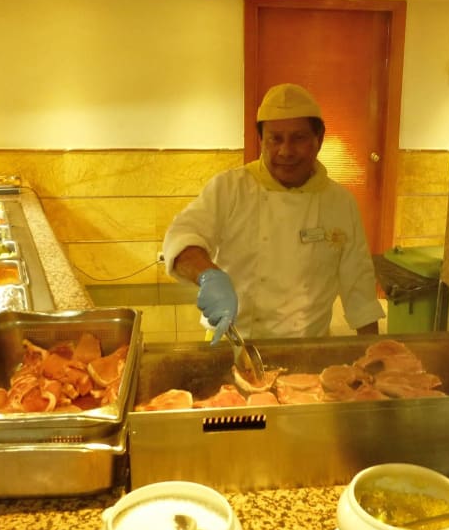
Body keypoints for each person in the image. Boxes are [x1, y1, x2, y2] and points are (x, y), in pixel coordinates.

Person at [163, 82, 384, 342]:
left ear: (319, 138)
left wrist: (375, 352)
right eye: (275, 139)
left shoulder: (340, 203)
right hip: (234, 341)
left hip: (308, 347)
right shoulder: (230, 188)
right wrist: (208, 275)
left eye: (298, 138)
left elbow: (359, 286)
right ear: (261, 140)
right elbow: (183, 235)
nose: (286, 151)